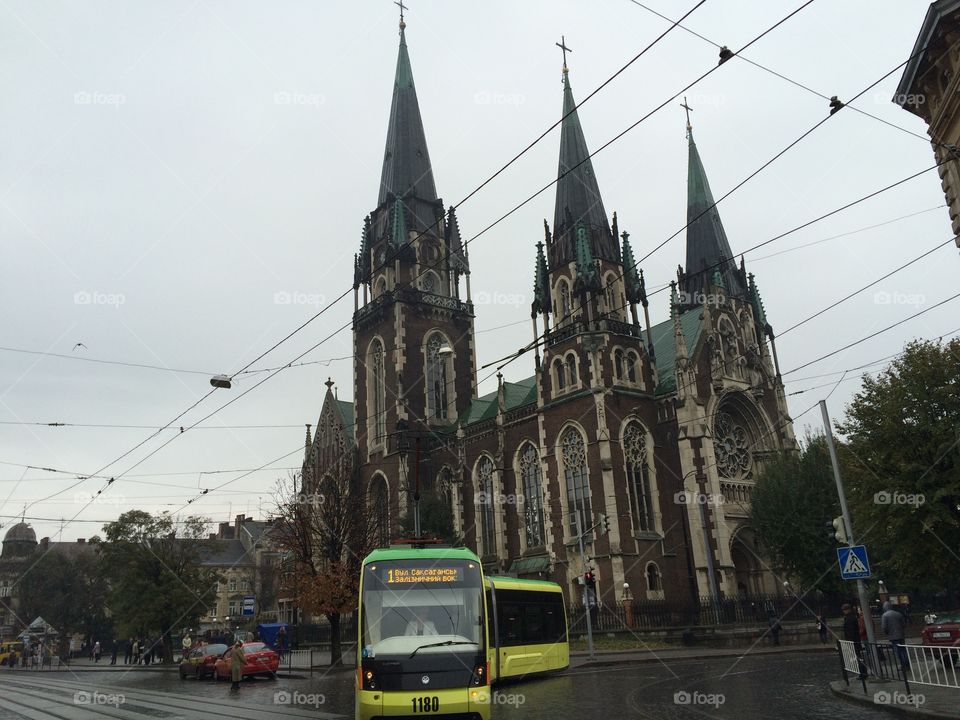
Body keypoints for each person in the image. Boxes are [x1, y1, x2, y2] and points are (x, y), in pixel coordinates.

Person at [882, 601, 909, 670]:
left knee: (898, 651)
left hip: (893, 636)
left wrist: (887, 633)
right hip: (901, 635)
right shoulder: (898, 614)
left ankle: (903, 665)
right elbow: (903, 624)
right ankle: (907, 664)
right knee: (903, 650)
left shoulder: (885, 615)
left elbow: (884, 627)